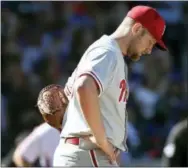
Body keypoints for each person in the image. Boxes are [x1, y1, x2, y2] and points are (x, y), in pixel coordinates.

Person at [53, 5, 167, 167]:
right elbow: (84, 87)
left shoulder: (109, 53)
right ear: (137, 28)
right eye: (150, 41)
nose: (149, 50)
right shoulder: (108, 51)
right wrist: (102, 141)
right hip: (88, 153)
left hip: (83, 152)